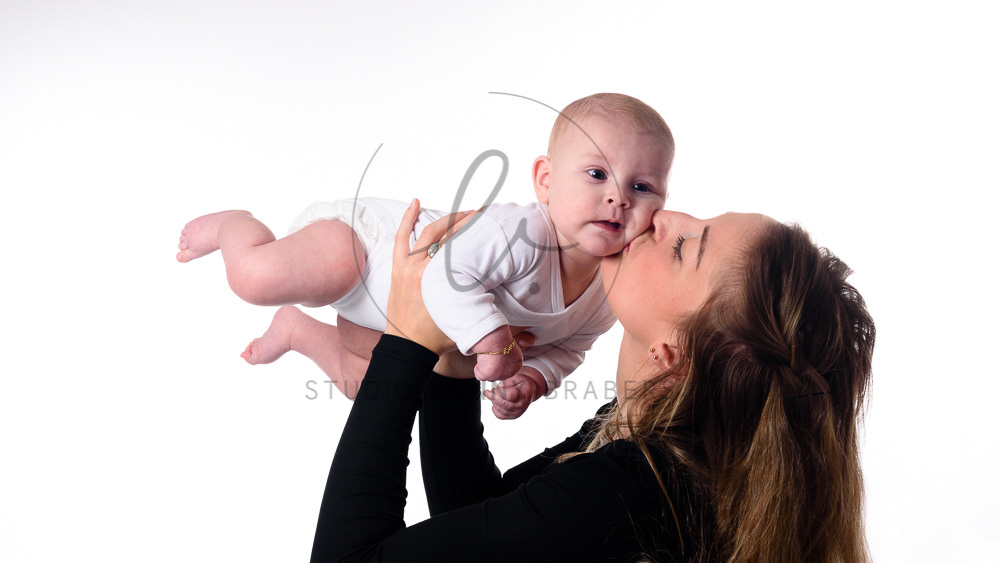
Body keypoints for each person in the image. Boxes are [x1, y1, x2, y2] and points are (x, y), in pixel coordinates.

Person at [309, 200, 875, 562]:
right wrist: (453, 349)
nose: (664, 217)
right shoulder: (657, 446)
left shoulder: (628, 492)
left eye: (685, 248)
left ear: (672, 355)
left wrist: (405, 343)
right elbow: (479, 517)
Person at [176, 93, 674, 418]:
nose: (618, 197)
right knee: (254, 278)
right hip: (367, 252)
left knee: (380, 392)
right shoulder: (521, 232)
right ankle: (234, 225)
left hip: (391, 323)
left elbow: (570, 349)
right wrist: (494, 342)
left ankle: (297, 331)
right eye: (596, 174)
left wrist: (534, 380)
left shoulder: (610, 296)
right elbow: (444, 277)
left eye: (642, 186)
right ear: (545, 180)